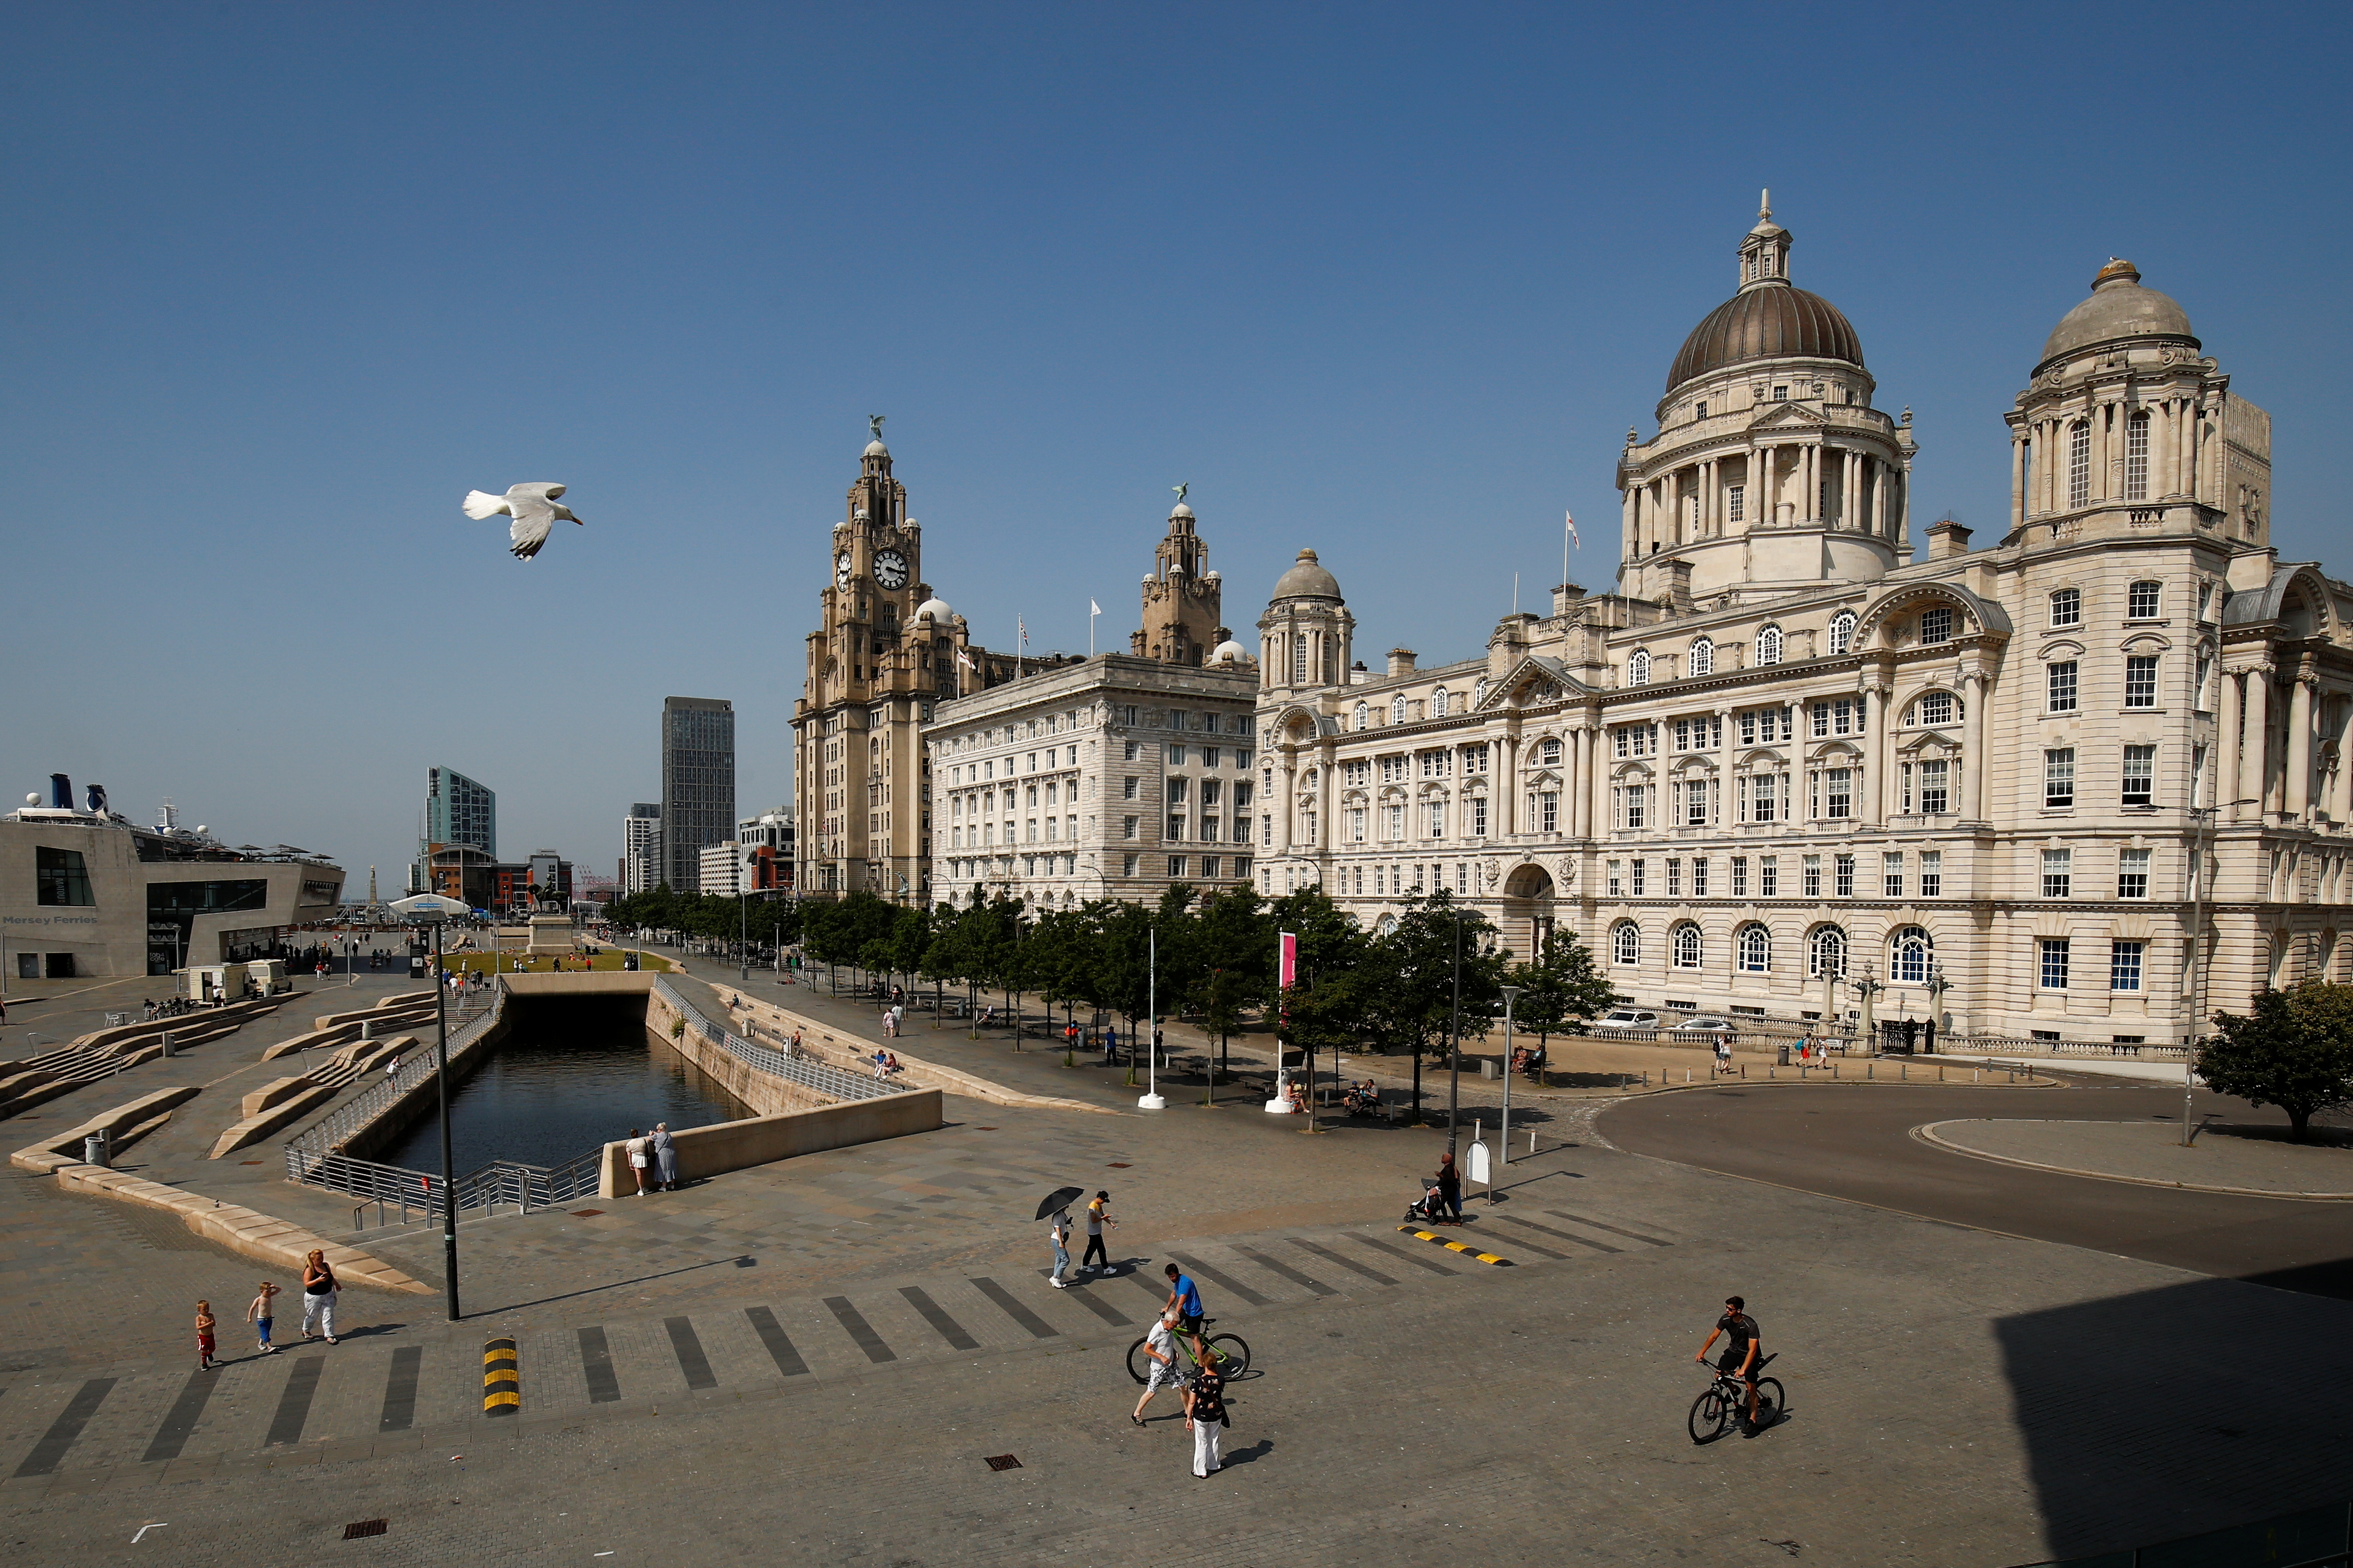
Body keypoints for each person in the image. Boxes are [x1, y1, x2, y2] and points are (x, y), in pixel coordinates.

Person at [1695, 1294, 1765, 1434]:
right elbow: (1713, 1336)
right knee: (1719, 1375)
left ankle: (1753, 1420)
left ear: (1739, 1311)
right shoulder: (1725, 1319)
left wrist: (1743, 1369)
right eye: (1726, 1308)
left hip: (1749, 1356)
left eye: (1730, 1309)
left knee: (1751, 1388)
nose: (1727, 1310)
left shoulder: (1751, 1325)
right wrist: (1702, 1352)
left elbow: (1753, 1350)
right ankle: (1734, 1390)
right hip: (1733, 1352)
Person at [1132, 1308, 1184, 1425]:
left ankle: (1188, 1413)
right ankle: (1136, 1414)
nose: (1175, 1327)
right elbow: (1147, 1349)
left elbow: (1166, 1343)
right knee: (1151, 1392)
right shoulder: (1157, 1331)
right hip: (1159, 1368)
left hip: (1171, 1365)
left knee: (1184, 1387)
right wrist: (1161, 1357)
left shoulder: (1169, 1329)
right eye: (1174, 1325)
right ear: (1168, 1322)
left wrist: (1173, 1352)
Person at [1184, 1353, 1228, 1478]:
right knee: (1214, 1439)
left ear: (1204, 1364)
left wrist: (1189, 1418)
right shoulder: (1221, 1379)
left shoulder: (1198, 1382)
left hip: (1201, 1416)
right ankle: (1215, 1465)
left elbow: (1192, 1402)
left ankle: (1200, 1471)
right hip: (1216, 1415)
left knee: (1201, 1442)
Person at [1163, 1262, 1206, 1359]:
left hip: (1194, 1313)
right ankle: (1197, 1337)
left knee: (1194, 1339)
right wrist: (1167, 1307)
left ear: (1177, 1273)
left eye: (1173, 1276)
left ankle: (1200, 1364)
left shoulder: (1185, 1283)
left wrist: (1174, 1316)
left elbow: (1181, 1303)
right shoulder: (1177, 1282)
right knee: (1174, 1328)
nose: (1172, 1279)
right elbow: (1174, 1295)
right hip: (1186, 1310)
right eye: (1170, 1277)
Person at [300, 1250, 338, 1344]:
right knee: (312, 1316)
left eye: (322, 1258)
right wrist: (318, 1280)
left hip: (328, 1294)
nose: (321, 1260)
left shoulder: (326, 1265)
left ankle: (329, 1336)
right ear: (313, 1260)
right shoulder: (310, 1270)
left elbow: (331, 1277)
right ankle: (306, 1330)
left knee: (328, 1315)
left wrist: (337, 1284)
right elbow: (307, 1284)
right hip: (314, 1297)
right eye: (318, 1259)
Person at [1081, 1190, 1114, 1273]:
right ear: (1099, 1198)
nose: (1103, 1202)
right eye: (1103, 1200)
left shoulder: (1099, 1205)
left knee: (1091, 1249)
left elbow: (1103, 1215)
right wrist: (1103, 1218)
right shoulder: (1092, 1208)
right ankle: (1106, 1269)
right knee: (1102, 1250)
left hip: (1096, 1231)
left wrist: (1111, 1223)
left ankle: (1085, 1265)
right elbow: (1094, 1220)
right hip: (1094, 1233)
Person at [247, 1281, 280, 1354]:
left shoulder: (269, 1296)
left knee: (266, 1332)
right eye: (267, 1292)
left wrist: (274, 1287)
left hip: (269, 1318)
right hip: (262, 1319)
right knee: (265, 1332)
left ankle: (260, 1344)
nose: (269, 1293)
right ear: (262, 1291)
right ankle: (269, 1346)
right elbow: (252, 1308)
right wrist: (249, 1318)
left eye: (270, 1291)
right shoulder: (259, 1299)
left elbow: (279, 1290)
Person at [1434, 1152, 1463, 1224]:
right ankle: (1458, 1219)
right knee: (1451, 1204)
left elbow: (1448, 1179)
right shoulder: (1452, 1167)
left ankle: (1446, 1220)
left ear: (1447, 1160)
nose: (1441, 1159)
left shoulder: (1448, 1168)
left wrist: (1440, 1175)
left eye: (1443, 1158)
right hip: (1452, 1189)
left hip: (1448, 1189)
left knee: (1442, 1204)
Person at [1049, 1208, 1073, 1288]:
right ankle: (1056, 1278)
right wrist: (1061, 1242)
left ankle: (1056, 1279)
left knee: (1059, 1259)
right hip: (1057, 1240)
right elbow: (1057, 1228)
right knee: (1066, 1260)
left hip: (1059, 1240)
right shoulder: (1058, 1215)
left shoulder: (1062, 1214)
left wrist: (1068, 1222)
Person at [651, 1122, 678, 1192]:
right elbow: (661, 1136)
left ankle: (664, 1187)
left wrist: (651, 1135)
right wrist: (656, 1134)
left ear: (660, 1129)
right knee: (671, 1168)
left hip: (663, 1154)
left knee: (664, 1169)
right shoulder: (668, 1135)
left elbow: (652, 1139)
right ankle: (672, 1185)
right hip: (671, 1153)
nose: (657, 1131)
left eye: (657, 1130)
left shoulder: (658, 1136)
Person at [625, 1129, 652, 1196]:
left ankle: (641, 1189)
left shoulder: (629, 1144)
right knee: (643, 1174)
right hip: (643, 1158)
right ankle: (643, 1187)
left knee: (638, 1175)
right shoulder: (643, 1141)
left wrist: (630, 1163)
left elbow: (629, 1155)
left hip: (635, 1159)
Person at [195, 1300, 217, 1371]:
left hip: (210, 1335)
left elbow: (214, 1323)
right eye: (204, 1309)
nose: (207, 1310)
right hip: (203, 1337)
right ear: (199, 1310)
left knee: (212, 1348)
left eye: (208, 1308)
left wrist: (212, 1323)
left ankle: (209, 1353)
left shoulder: (210, 1316)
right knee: (204, 1349)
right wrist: (207, 1324)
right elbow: (198, 1327)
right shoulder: (199, 1318)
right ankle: (204, 1364)